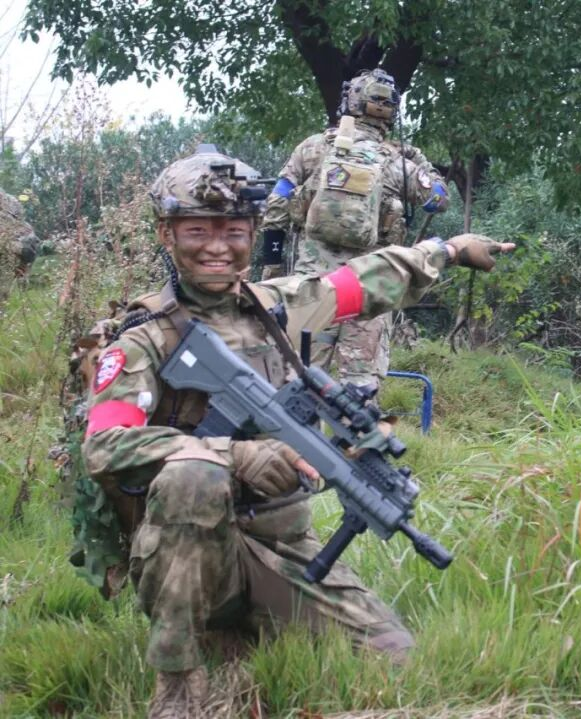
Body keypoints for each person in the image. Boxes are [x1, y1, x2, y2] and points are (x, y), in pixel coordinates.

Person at [81, 147, 511, 718]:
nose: (217, 246)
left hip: (283, 546)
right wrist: (232, 455)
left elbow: (363, 280)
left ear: (253, 233)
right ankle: (179, 681)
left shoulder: (277, 308)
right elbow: (105, 446)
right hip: (192, 557)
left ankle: (246, 626)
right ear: (167, 234)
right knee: (193, 475)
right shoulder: (142, 340)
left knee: (394, 657)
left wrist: (449, 250)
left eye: (234, 231)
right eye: (198, 230)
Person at [260, 68, 450, 387]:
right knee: (360, 389)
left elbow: (277, 204)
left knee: (298, 382)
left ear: (350, 101)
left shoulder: (313, 148)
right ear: (392, 110)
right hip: (370, 287)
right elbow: (438, 200)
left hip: (312, 287)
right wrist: (420, 163)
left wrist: (272, 266)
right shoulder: (398, 163)